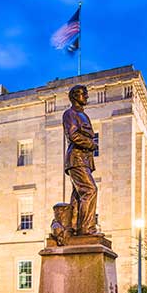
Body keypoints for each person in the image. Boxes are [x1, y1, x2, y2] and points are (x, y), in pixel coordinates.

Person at [62, 85, 99, 235]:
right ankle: (87, 228)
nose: (86, 97)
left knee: (78, 195)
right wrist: (91, 144)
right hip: (76, 158)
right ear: (75, 96)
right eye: (83, 94)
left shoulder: (84, 115)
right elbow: (73, 135)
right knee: (90, 190)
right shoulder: (69, 113)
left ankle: (75, 227)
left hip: (84, 159)